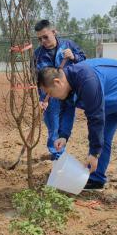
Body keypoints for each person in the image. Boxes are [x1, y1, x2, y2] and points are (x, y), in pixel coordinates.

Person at [37, 58, 117, 208]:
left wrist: (94, 154)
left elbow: (95, 117)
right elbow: (67, 108)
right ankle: (97, 179)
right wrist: (63, 135)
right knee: (103, 138)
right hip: (108, 101)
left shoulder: (86, 79)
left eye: (49, 93)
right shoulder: (67, 84)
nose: (50, 97)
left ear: (57, 82)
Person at [34, 19, 86, 160]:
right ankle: (57, 155)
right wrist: (41, 99)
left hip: (69, 92)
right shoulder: (38, 54)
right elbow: (39, 80)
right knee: (53, 126)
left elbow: (84, 61)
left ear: (54, 32)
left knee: (66, 123)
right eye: (39, 39)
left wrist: (74, 57)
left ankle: (60, 149)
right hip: (51, 97)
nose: (43, 41)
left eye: (46, 37)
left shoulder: (68, 45)